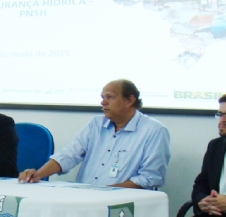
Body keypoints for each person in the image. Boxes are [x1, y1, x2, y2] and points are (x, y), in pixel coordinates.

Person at [18, 79, 170, 188]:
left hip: (123, 202)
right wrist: (38, 174)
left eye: (110, 97)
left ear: (129, 100)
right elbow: (70, 154)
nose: (103, 102)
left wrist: (107, 193)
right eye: (102, 98)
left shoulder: (154, 131)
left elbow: (150, 178)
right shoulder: (96, 124)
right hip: (85, 198)